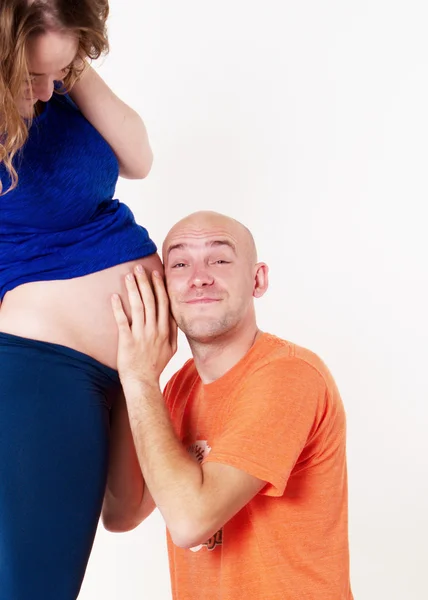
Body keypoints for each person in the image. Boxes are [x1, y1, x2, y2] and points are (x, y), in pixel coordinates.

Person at [106, 210, 354, 599]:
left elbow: (190, 522)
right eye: (180, 263)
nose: (199, 277)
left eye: (219, 259)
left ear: (258, 279)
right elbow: (122, 514)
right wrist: (130, 376)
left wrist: (139, 379)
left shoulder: (289, 374)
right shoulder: (175, 389)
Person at [0, 1, 162, 598]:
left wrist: (70, 70)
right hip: (44, 365)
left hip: (125, 366)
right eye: (28, 75)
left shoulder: (58, 84)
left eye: (58, 72)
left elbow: (139, 158)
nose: (45, 92)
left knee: (114, 521)